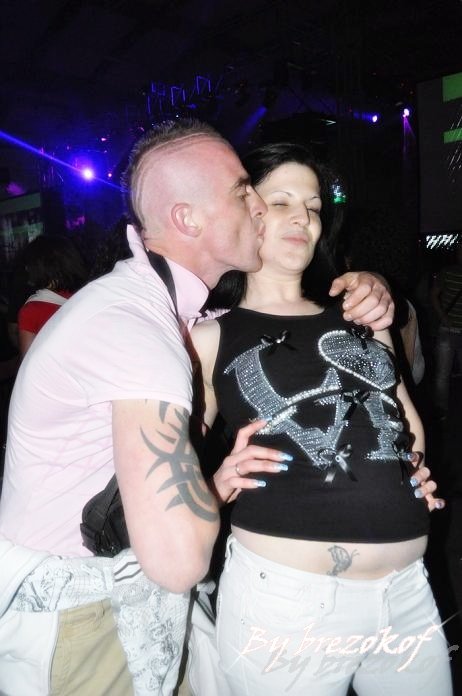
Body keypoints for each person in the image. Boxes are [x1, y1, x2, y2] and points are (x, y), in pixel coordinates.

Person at [0, 120, 396, 696]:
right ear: (187, 219)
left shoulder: (166, 308)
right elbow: (180, 561)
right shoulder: (135, 328)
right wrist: (211, 493)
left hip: (126, 598)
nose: (258, 206)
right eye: (242, 192)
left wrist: (373, 285)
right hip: (81, 621)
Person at [191, 142, 450, 696]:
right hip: (286, 602)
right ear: (245, 211)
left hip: (405, 592)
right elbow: (166, 460)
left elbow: (403, 418)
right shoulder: (210, 335)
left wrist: (410, 469)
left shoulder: (363, 317)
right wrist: (212, 486)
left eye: (312, 206)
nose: (302, 218)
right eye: (281, 201)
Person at [17, 234, 87, 356]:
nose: (27, 268)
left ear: (39, 267)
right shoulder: (87, 296)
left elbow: (29, 361)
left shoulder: (32, 311)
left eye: (29, 263)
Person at [431, 240, 462, 418]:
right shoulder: (447, 272)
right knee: (442, 374)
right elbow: (434, 295)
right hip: (447, 331)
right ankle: (441, 410)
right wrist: (444, 318)